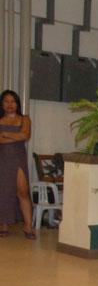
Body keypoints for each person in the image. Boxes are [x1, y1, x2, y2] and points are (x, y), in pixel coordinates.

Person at [0, 90, 34, 239]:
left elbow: (26, 135)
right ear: (2, 104)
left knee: (23, 192)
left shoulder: (25, 119)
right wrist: (17, 136)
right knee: (3, 192)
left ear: (18, 103)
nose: (10, 104)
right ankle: (4, 225)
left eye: (13, 101)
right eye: (6, 101)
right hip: (2, 158)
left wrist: (6, 134)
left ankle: (28, 227)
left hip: (18, 158)